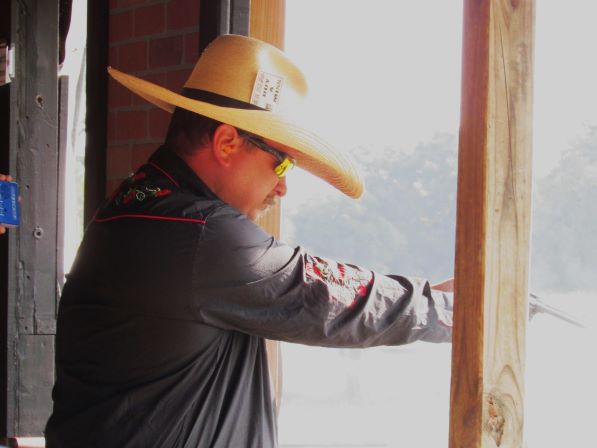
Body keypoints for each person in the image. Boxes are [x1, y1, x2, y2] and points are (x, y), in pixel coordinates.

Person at [45, 34, 453, 447]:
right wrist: (452, 309)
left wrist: (427, 298)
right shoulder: (200, 232)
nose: (283, 188)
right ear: (226, 143)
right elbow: (327, 298)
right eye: (283, 164)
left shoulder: (137, 205)